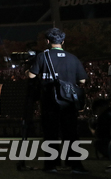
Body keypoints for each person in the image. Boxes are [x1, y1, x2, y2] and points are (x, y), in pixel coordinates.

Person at [27, 27, 88, 174]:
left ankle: (51, 166)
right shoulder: (72, 57)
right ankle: (75, 165)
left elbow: (31, 76)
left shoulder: (43, 56)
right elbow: (82, 80)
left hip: (49, 100)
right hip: (68, 102)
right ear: (63, 41)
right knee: (71, 134)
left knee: (50, 134)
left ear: (48, 41)